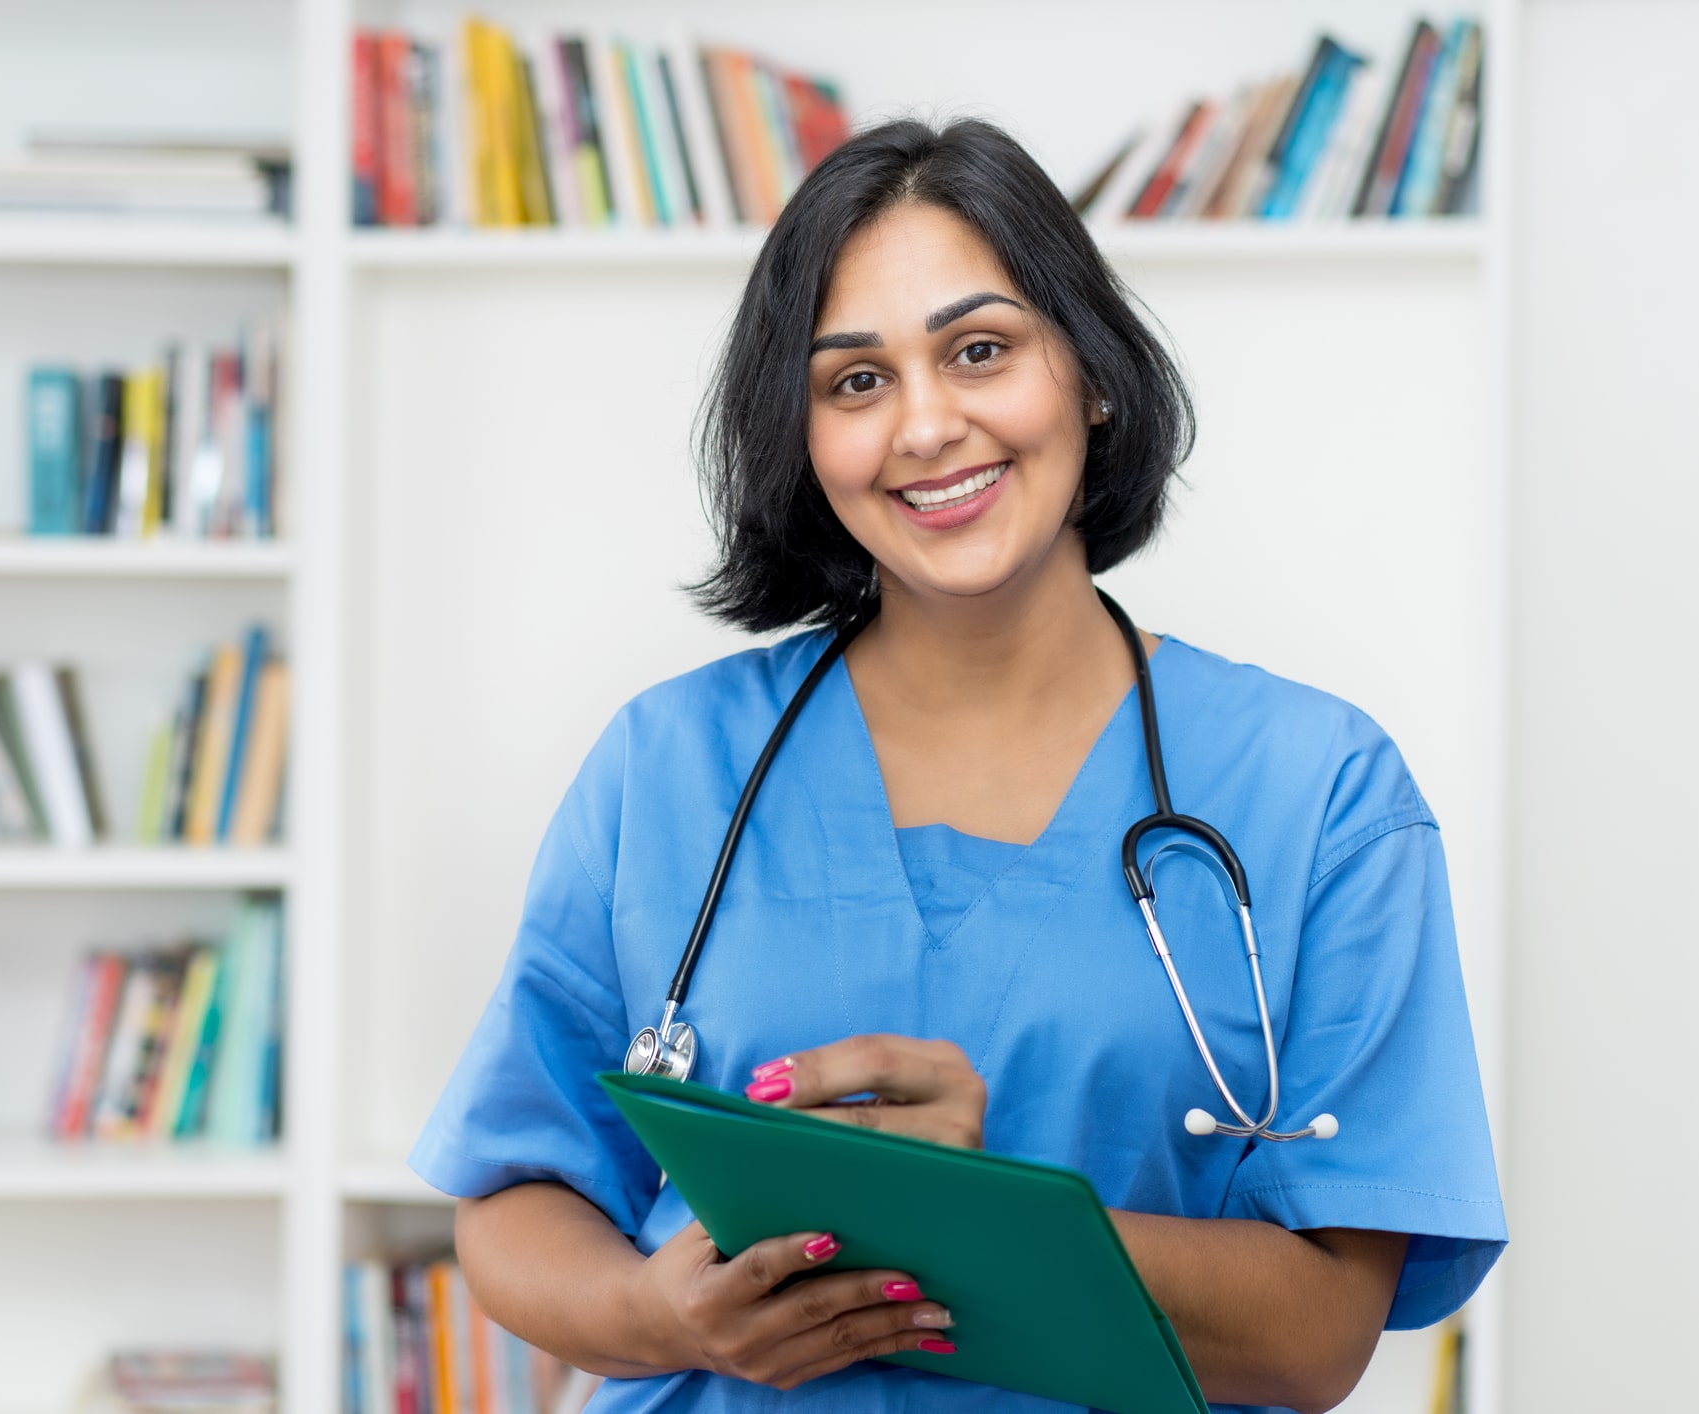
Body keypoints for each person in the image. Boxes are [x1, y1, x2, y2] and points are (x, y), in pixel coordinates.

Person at [407, 117, 1504, 1414]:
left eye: (978, 350)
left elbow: (1316, 1334)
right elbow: (513, 1198)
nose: (925, 424)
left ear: (1090, 373)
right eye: (854, 381)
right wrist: (659, 1311)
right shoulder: (669, 764)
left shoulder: (1317, 791)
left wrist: (970, 1217)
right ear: (805, 439)